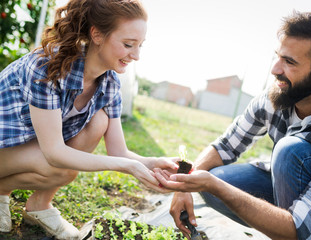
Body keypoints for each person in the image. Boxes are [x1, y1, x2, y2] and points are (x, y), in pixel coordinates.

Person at [155, 10, 311, 240]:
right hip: (294, 201)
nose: (275, 69)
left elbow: (301, 230)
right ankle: (277, 224)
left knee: (290, 151)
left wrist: (216, 186)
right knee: (216, 176)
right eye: (278, 57)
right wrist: (186, 185)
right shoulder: (278, 95)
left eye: (289, 62)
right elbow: (225, 146)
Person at [0, 0, 179, 239]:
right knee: (60, 166)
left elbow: (119, 152)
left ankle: (40, 206)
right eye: (128, 44)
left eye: (139, 46)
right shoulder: (46, 66)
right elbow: (54, 153)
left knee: (98, 122)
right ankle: (1, 191)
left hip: (27, 149)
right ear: (96, 34)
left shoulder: (109, 83)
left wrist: (151, 162)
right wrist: (127, 167)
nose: (135, 55)